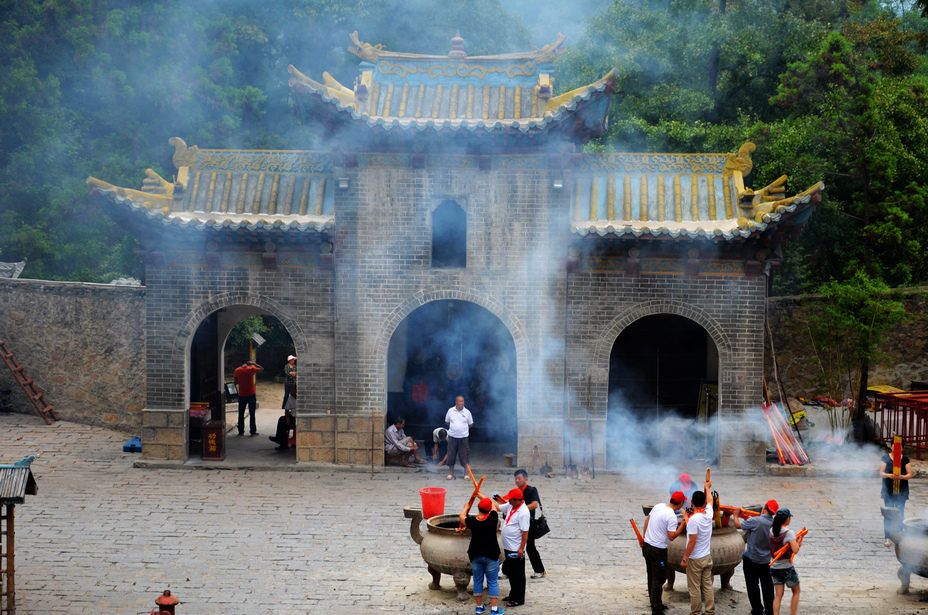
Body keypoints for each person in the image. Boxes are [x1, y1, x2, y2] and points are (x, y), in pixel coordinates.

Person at [642, 491, 689, 613]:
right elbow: (672, 536)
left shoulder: (659, 506)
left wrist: (644, 538)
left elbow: (647, 520)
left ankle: (655, 602)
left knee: (651, 575)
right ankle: (656, 607)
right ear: (680, 503)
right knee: (660, 578)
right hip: (658, 551)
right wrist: (682, 525)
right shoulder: (671, 517)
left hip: (647, 546)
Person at [460, 495, 505, 615]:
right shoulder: (493, 518)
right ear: (489, 509)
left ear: (478, 508)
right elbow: (494, 507)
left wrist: (466, 507)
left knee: (478, 581)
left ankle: (479, 607)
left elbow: (462, 517)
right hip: (491, 555)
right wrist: (481, 495)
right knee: (492, 582)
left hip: (475, 555)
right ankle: (494, 609)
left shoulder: (472, 521)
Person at [733, 500, 779, 615]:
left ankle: (757, 609)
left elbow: (738, 525)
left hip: (752, 560)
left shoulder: (755, 521)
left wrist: (735, 515)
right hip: (766, 561)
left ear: (765, 507)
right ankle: (770, 610)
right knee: (768, 587)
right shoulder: (775, 525)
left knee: (752, 586)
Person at [681, 476, 714, 615]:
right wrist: (707, 487)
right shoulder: (708, 513)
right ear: (704, 502)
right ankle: (710, 611)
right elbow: (711, 500)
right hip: (706, 556)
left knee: (694, 587)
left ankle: (695, 612)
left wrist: (685, 558)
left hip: (696, 558)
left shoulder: (694, 519)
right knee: (707, 585)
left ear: (692, 502)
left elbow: (692, 541)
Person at [495, 487, 530, 608]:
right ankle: (512, 593)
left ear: (517, 500)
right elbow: (497, 507)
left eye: (511, 500)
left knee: (518, 573)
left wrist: (521, 548)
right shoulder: (511, 506)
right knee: (511, 571)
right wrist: (481, 497)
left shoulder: (524, 512)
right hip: (508, 546)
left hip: (516, 548)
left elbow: (525, 532)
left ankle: (518, 598)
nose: (509, 502)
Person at [513, 469, 546, 580]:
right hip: (517, 524)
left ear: (525, 479)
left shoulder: (531, 490)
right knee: (513, 547)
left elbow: (535, 504)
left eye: (519, 478)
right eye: (516, 479)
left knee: (530, 547)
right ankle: (508, 571)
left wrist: (521, 510)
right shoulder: (515, 491)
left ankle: (540, 570)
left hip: (528, 523)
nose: (517, 481)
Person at [880, 444, 913, 546]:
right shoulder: (885, 458)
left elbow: (909, 474)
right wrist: (889, 475)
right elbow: (881, 472)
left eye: (899, 446)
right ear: (891, 446)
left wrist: (902, 477)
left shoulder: (905, 459)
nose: (897, 448)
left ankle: (899, 534)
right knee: (888, 513)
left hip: (901, 489)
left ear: (902, 448)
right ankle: (887, 537)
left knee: (900, 512)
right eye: (895, 446)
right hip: (888, 489)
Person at [769, 509, 800, 615]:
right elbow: (795, 550)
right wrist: (797, 544)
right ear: (787, 519)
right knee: (796, 591)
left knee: (778, 595)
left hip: (774, 567)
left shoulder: (772, 530)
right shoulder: (789, 533)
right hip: (787, 567)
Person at [444, 396, 473, 480]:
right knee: (451, 455)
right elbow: (447, 422)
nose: (461, 403)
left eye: (463, 401)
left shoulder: (467, 412)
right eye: (460, 401)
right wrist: (455, 428)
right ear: (456, 402)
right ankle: (451, 473)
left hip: (463, 438)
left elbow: (470, 424)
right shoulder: (450, 411)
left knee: (464, 456)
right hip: (452, 437)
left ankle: (466, 474)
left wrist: (462, 428)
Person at [233, 360, 263, 436]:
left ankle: (241, 431)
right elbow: (262, 368)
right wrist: (254, 364)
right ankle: (252, 431)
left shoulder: (237, 370)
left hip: (242, 395)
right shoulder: (251, 369)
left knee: (241, 413)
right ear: (248, 363)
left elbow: (235, 382)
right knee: (252, 414)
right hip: (251, 394)